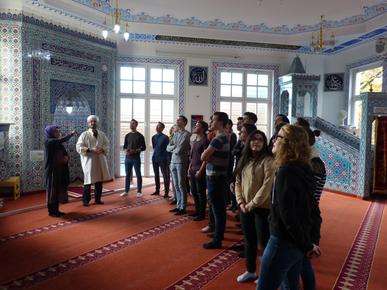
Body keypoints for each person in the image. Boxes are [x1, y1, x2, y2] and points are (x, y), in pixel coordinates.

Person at [256, 124, 322, 290]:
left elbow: (288, 215)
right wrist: (311, 241)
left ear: (288, 143)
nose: (273, 140)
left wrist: (307, 244)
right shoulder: (304, 168)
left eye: (278, 137)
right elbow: (313, 210)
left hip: (282, 242)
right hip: (297, 242)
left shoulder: (286, 172)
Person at [234, 130, 275, 282]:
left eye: (260, 140)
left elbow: (267, 186)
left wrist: (251, 204)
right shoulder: (245, 159)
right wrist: (240, 202)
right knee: (249, 240)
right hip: (244, 206)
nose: (256, 142)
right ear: (249, 142)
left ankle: (266, 274)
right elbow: (237, 180)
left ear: (264, 143)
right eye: (253, 139)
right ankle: (250, 271)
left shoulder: (269, 160)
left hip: (261, 208)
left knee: (264, 242)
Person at [201, 112, 230, 249]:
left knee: (217, 209)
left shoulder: (218, 139)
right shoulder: (225, 137)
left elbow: (204, 157)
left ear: (220, 122)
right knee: (219, 209)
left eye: (213, 120)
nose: (211, 122)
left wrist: (206, 154)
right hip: (218, 176)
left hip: (215, 177)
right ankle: (219, 235)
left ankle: (217, 239)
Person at [76, 115, 111, 206]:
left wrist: (102, 149)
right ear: (88, 123)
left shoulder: (102, 134)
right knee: (88, 181)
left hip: (99, 160)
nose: (93, 123)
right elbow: (78, 147)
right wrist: (91, 150)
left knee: (99, 181)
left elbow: (107, 144)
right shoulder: (84, 135)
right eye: (91, 121)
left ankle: (97, 199)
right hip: (89, 161)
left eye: (94, 121)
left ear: (97, 122)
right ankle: (85, 201)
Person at [44, 125, 76, 217]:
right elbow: (60, 140)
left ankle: (56, 210)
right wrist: (71, 134)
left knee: (57, 190)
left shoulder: (56, 143)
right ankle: (52, 211)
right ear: (50, 133)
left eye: (58, 131)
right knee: (52, 191)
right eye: (56, 132)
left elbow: (62, 153)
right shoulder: (49, 142)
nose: (58, 133)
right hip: (52, 171)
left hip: (59, 170)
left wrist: (66, 158)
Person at [167, 115, 191, 215]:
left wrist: (173, 148)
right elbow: (168, 147)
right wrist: (174, 148)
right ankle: (178, 205)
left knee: (182, 185)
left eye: (179, 120)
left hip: (181, 161)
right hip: (173, 161)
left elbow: (180, 149)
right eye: (177, 119)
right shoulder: (175, 134)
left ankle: (183, 207)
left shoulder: (187, 134)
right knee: (176, 185)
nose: (177, 121)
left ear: (185, 123)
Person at [188, 120, 209, 221]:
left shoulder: (205, 140)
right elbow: (192, 156)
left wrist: (201, 171)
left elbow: (206, 158)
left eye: (197, 126)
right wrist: (189, 167)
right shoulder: (195, 140)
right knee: (194, 191)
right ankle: (197, 211)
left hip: (200, 170)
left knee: (201, 192)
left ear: (203, 129)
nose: (195, 127)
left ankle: (201, 214)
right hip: (193, 168)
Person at [121, 119, 146, 198]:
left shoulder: (140, 136)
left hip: (136, 158)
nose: (131, 125)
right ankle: (126, 191)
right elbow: (124, 147)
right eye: (130, 123)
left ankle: (139, 191)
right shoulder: (127, 135)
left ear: (136, 125)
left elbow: (143, 147)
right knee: (127, 175)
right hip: (127, 158)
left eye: (133, 124)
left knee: (138, 174)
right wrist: (126, 151)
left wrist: (135, 151)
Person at [151, 122, 170, 198]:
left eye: (159, 126)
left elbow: (168, 149)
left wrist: (168, 159)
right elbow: (154, 147)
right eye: (156, 126)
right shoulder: (153, 137)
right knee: (156, 175)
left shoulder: (165, 137)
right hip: (155, 158)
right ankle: (157, 190)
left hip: (163, 158)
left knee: (165, 175)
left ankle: (166, 192)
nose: (157, 127)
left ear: (162, 128)